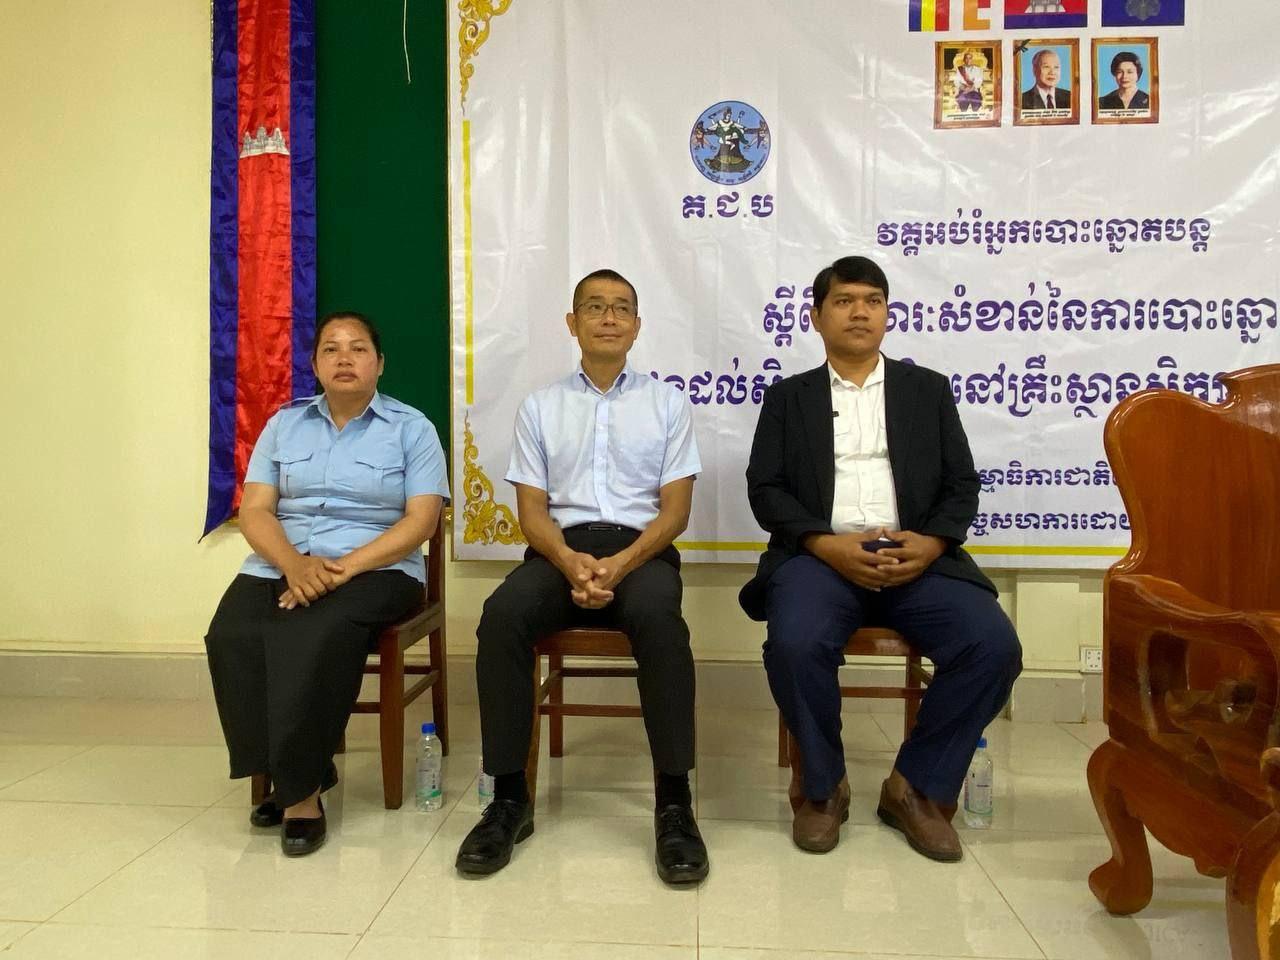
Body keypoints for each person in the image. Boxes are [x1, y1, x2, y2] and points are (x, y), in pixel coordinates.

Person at [739, 256, 1022, 861]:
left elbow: (961, 485)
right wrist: (825, 543)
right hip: (821, 559)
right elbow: (766, 489)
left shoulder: (927, 391)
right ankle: (823, 789)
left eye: (872, 300)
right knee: (794, 642)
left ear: (888, 314)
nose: (860, 312)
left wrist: (932, 542)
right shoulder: (789, 398)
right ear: (816, 316)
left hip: (916, 558)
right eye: (844, 301)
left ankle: (915, 788)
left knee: (993, 646)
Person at [455, 268, 709, 885]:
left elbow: (674, 513)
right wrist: (571, 562)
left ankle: (674, 803)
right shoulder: (540, 407)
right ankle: (508, 799)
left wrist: (621, 564)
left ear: (637, 326)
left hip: (641, 553)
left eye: (621, 308)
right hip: (558, 552)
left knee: (661, 621)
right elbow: (532, 514)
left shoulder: (668, 404)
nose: (608, 318)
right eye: (594, 307)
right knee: (502, 616)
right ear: (572, 324)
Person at [204, 311, 449, 857]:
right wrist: (295, 565)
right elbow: (256, 510)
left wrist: (343, 568)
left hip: (379, 570)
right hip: (283, 563)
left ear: (379, 364)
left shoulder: (412, 428)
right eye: (331, 349)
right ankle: (290, 768)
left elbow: (421, 522)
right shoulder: (283, 424)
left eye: (358, 348)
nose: (344, 359)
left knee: (309, 633)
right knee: (232, 634)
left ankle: (300, 797)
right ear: (314, 365)